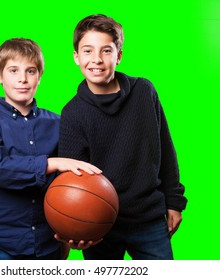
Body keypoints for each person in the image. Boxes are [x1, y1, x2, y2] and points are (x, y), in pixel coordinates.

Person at [57, 14, 188, 259]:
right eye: (87, 51)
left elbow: (166, 149)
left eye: (106, 50)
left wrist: (174, 201)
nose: (96, 59)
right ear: (76, 57)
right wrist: (75, 224)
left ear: (119, 55)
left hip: (148, 219)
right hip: (99, 225)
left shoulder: (144, 92)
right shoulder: (72, 113)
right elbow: (71, 179)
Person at [0, 38, 101, 260]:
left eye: (30, 71)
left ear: (39, 77)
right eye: (13, 70)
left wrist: (79, 228)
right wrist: (52, 163)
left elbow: (76, 180)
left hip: (47, 246)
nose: (22, 79)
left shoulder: (59, 123)